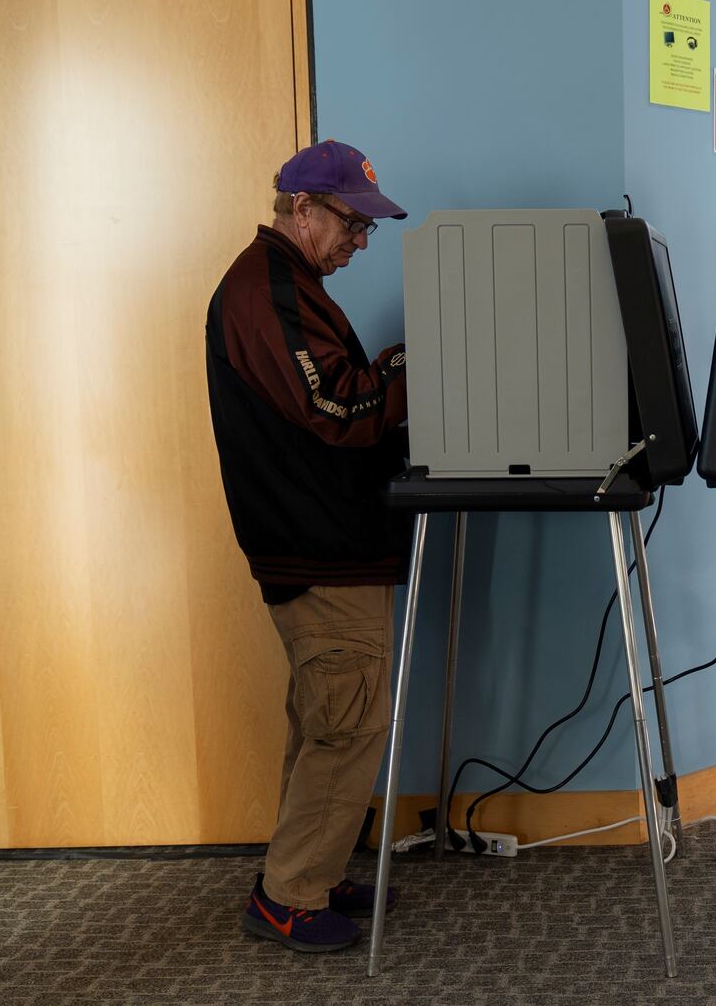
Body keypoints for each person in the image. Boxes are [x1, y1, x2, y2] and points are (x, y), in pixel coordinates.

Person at [205, 140, 412, 953]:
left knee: (327, 711)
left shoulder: (290, 286)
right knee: (348, 720)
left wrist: (397, 364)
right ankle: (289, 896)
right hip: (317, 546)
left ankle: (308, 869)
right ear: (302, 208)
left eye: (367, 231)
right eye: (352, 225)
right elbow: (337, 407)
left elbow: (333, 386)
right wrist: (419, 373)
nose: (359, 244)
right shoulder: (269, 289)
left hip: (324, 540)